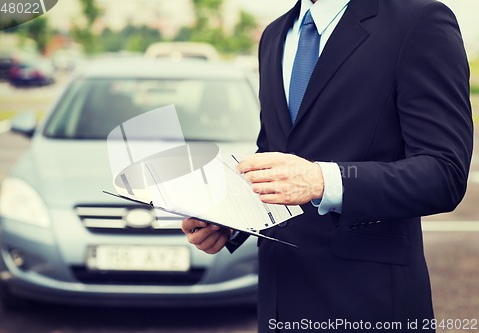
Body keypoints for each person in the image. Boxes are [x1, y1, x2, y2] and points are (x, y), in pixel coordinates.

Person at [182, 0, 473, 332]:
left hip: (370, 304)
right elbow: (274, 154)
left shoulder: (418, 21)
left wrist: (323, 180)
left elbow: (443, 172)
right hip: (279, 301)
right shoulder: (274, 35)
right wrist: (231, 218)